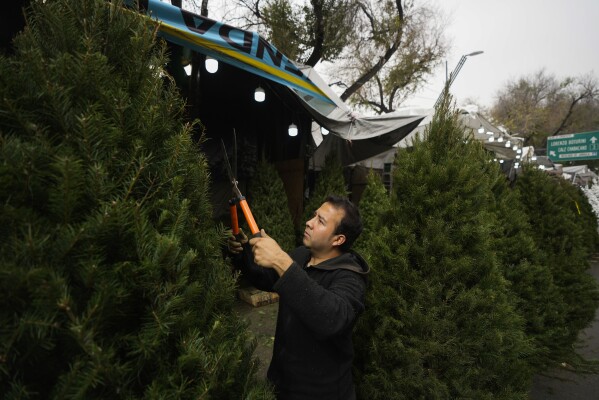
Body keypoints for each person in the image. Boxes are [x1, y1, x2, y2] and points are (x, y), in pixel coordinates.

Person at [228, 194, 369, 400]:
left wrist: (281, 260)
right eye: (314, 216)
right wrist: (243, 255)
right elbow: (267, 278)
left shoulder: (350, 277)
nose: (309, 223)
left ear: (338, 239)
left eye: (320, 221)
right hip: (281, 384)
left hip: (321, 393)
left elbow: (331, 319)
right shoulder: (303, 255)